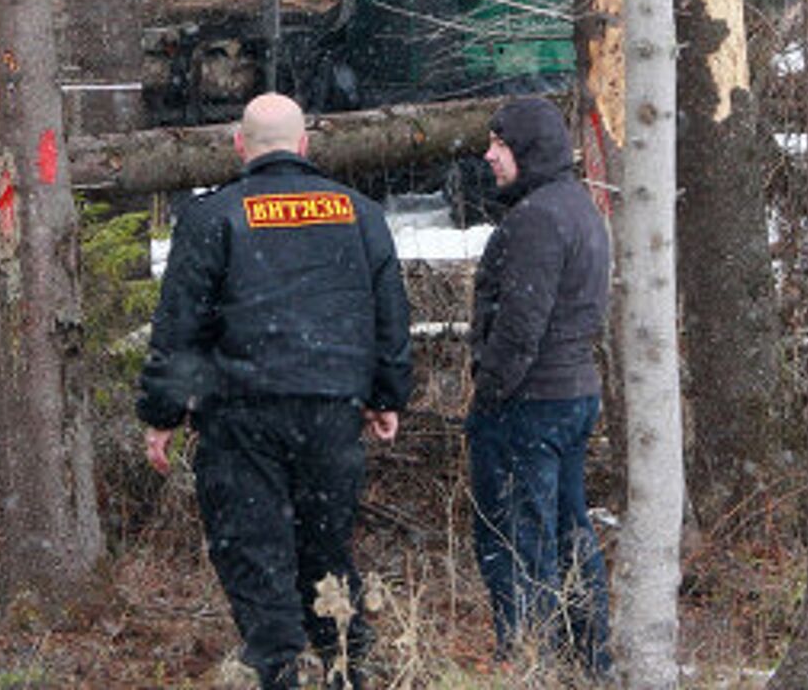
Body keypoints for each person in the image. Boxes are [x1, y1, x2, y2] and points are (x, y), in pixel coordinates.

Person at [137, 92, 413, 690]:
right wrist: (385, 395)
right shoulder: (359, 213)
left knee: (257, 561)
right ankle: (347, 672)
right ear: (305, 145)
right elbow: (390, 313)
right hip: (331, 413)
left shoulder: (213, 217)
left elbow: (179, 325)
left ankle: (281, 670)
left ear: (240, 145)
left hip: (242, 417)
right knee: (326, 555)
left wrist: (162, 413)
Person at [465, 95, 612, 676]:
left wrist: (489, 397)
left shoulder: (538, 220)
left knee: (517, 541)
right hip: (571, 395)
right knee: (570, 533)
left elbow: (520, 327)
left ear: (527, 150)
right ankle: (589, 662)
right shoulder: (578, 208)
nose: (489, 155)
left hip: (531, 403)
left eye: (500, 144)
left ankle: (533, 664)